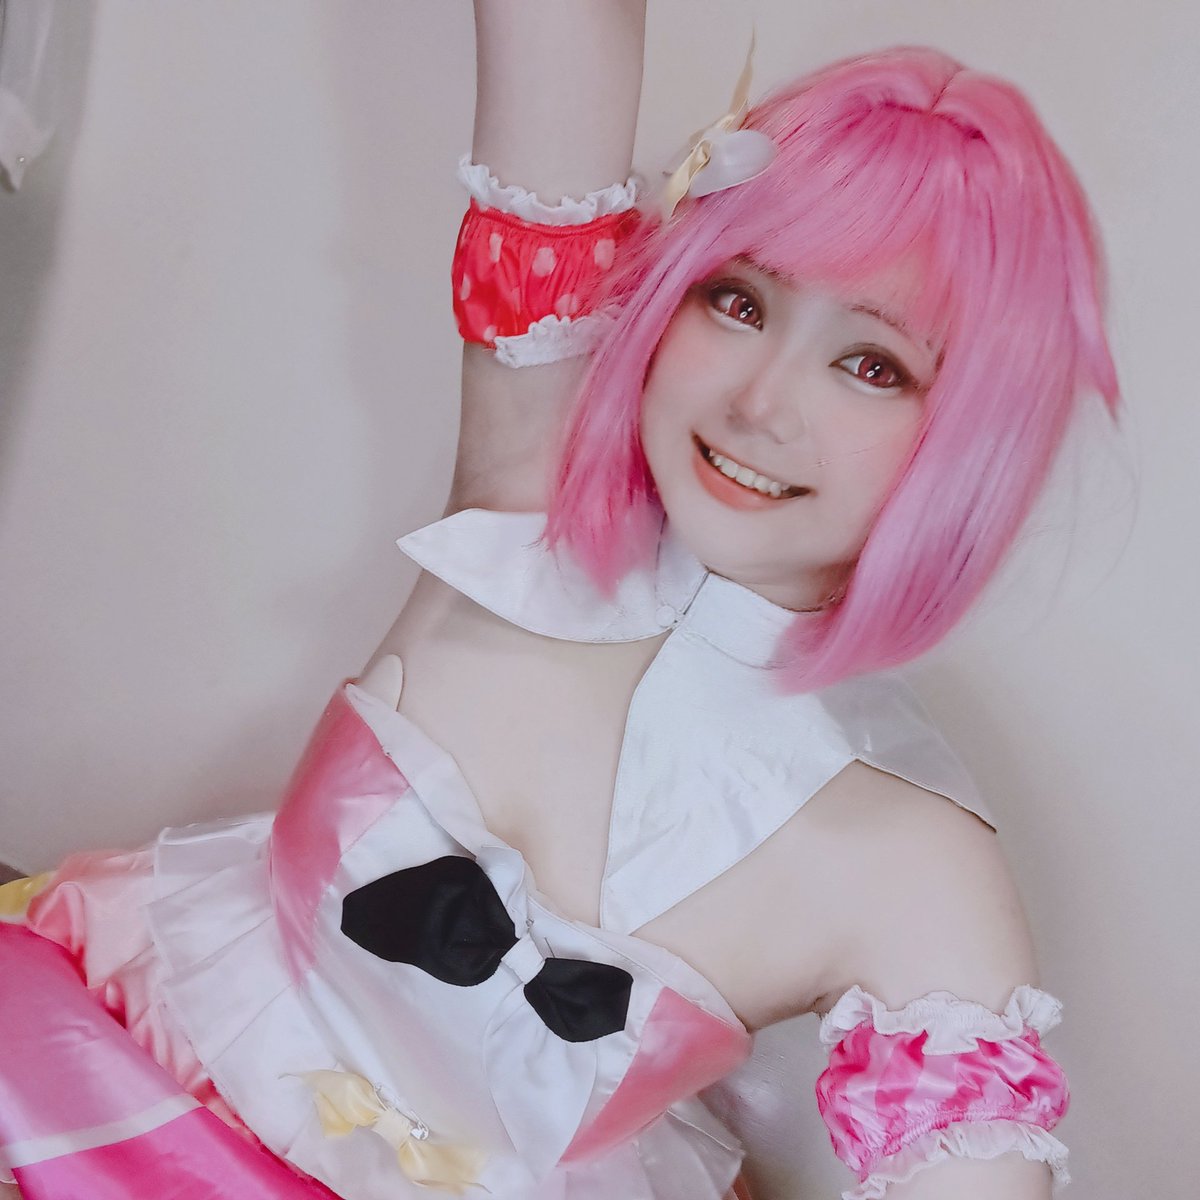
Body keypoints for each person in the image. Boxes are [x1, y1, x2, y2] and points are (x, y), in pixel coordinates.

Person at [0, 3, 1117, 1198]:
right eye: (739, 301)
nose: (759, 406)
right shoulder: (536, 476)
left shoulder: (918, 858)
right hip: (96, 1062)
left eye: (872, 366)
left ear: (974, 440)